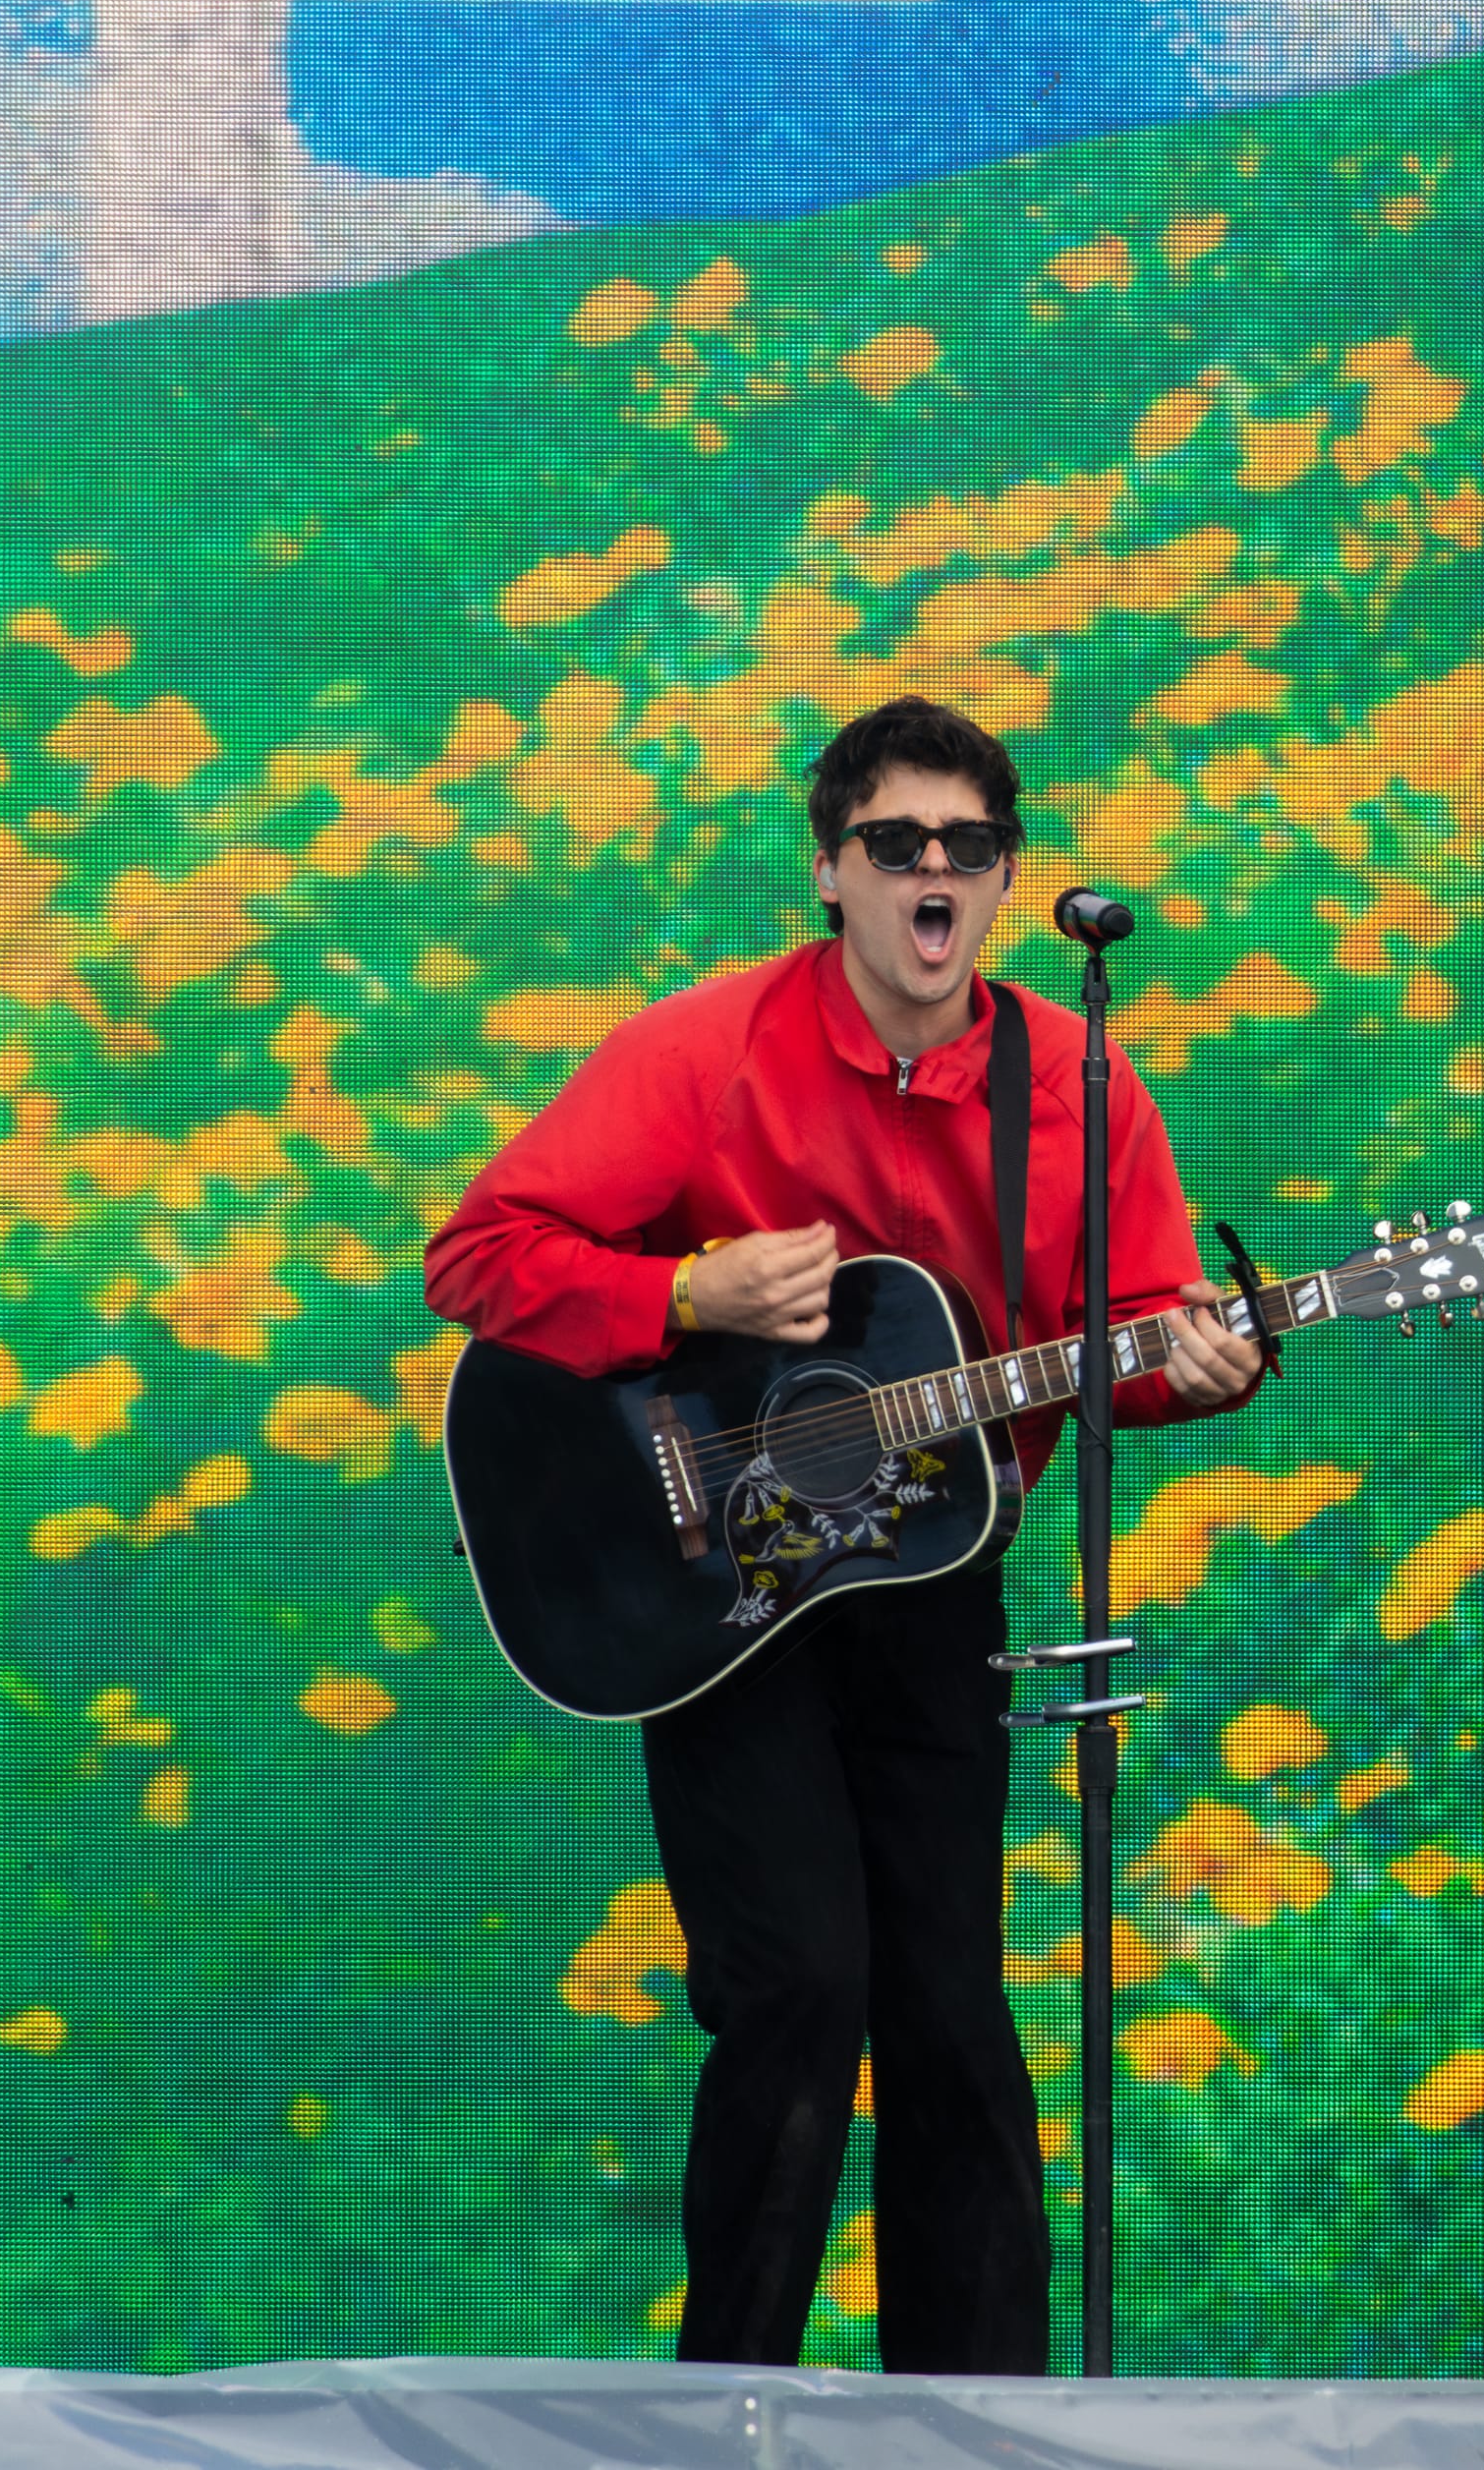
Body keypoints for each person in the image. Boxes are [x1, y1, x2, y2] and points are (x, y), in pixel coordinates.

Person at [423, 694, 1264, 2376]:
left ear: (1007, 879)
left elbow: (1121, 1343)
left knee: (950, 2007)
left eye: (970, 844)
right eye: (896, 842)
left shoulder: (1080, 1084)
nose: (932, 870)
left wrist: (1198, 1367)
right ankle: (727, 2404)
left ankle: (985, 2422)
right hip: (709, 1593)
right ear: (831, 870)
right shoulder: (706, 1051)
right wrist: (686, 1291)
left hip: (933, 1581)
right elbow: (478, 1256)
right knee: (798, 1988)